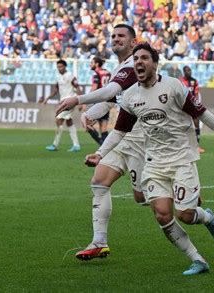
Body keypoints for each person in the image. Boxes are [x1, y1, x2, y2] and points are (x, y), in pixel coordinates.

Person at [84, 43, 214, 275]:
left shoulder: (173, 86)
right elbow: (119, 131)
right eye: (136, 58)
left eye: (144, 58)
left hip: (181, 159)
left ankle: (207, 218)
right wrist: (99, 154)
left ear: (155, 63)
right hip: (154, 162)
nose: (139, 62)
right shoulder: (130, 96)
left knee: (185, 215)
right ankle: (198, 260)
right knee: (162, 214)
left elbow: (201, 112)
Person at [56, 24, 147, 260]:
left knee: (143, 198)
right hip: (121, 136)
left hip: (141, 139)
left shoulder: (132, 67)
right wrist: (90, 114)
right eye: (113, 36)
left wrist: (78, 99)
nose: (115, 39)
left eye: (121, 36)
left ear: (133, 42)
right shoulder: (119, 67)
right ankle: (99, 242)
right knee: (99, 182)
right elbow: (111, 101)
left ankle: (195, 209)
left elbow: (110, 92)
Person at [39, 59, 82, 152]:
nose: (59, 68)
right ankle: (76, 145)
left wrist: (80, 102)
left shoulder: (70, 76)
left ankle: (55, 144)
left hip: (70, 101)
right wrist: (47, 98)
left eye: (61, 66)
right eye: (58, 67)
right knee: (69, 121)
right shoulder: (58, 77)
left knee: (58, 119)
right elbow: (55, 90)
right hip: (63, 101)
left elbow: (78, 87)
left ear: (65, 66)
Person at [86, 56, 112, 146]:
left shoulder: (96, 73)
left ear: (96, 64)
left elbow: (94, 87)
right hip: (107, 101)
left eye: (91, 62)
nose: (90, 64)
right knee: (103, 127)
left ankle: (102, 144)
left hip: (99, 101)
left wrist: (86, 99)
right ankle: (106, 147)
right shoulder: (108, 73)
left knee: (87, 125)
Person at [179, 66, 205, 153]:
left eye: (189, 70)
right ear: (183, 72)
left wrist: (195, 104)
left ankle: (197, 146)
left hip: (192, 105)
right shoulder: (180, 81)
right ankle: (182, 146)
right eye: (186, 71)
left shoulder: (194, 81)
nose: (188, 72)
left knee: (196, 123)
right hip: (182, 106)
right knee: (182, 125)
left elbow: (196, 94)